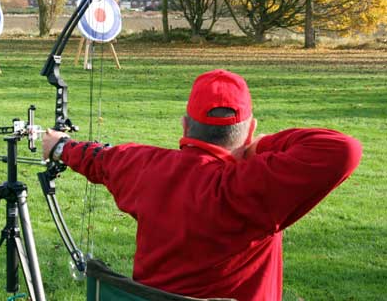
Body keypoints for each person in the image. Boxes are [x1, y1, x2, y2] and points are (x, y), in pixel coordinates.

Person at [42, 69, 362, 301]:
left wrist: (60, 147)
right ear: (250, 130)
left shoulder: (144, 166)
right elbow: (344, 150)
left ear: (184, 125)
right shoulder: (255, 184)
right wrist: (262, 146)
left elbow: (99, 158)